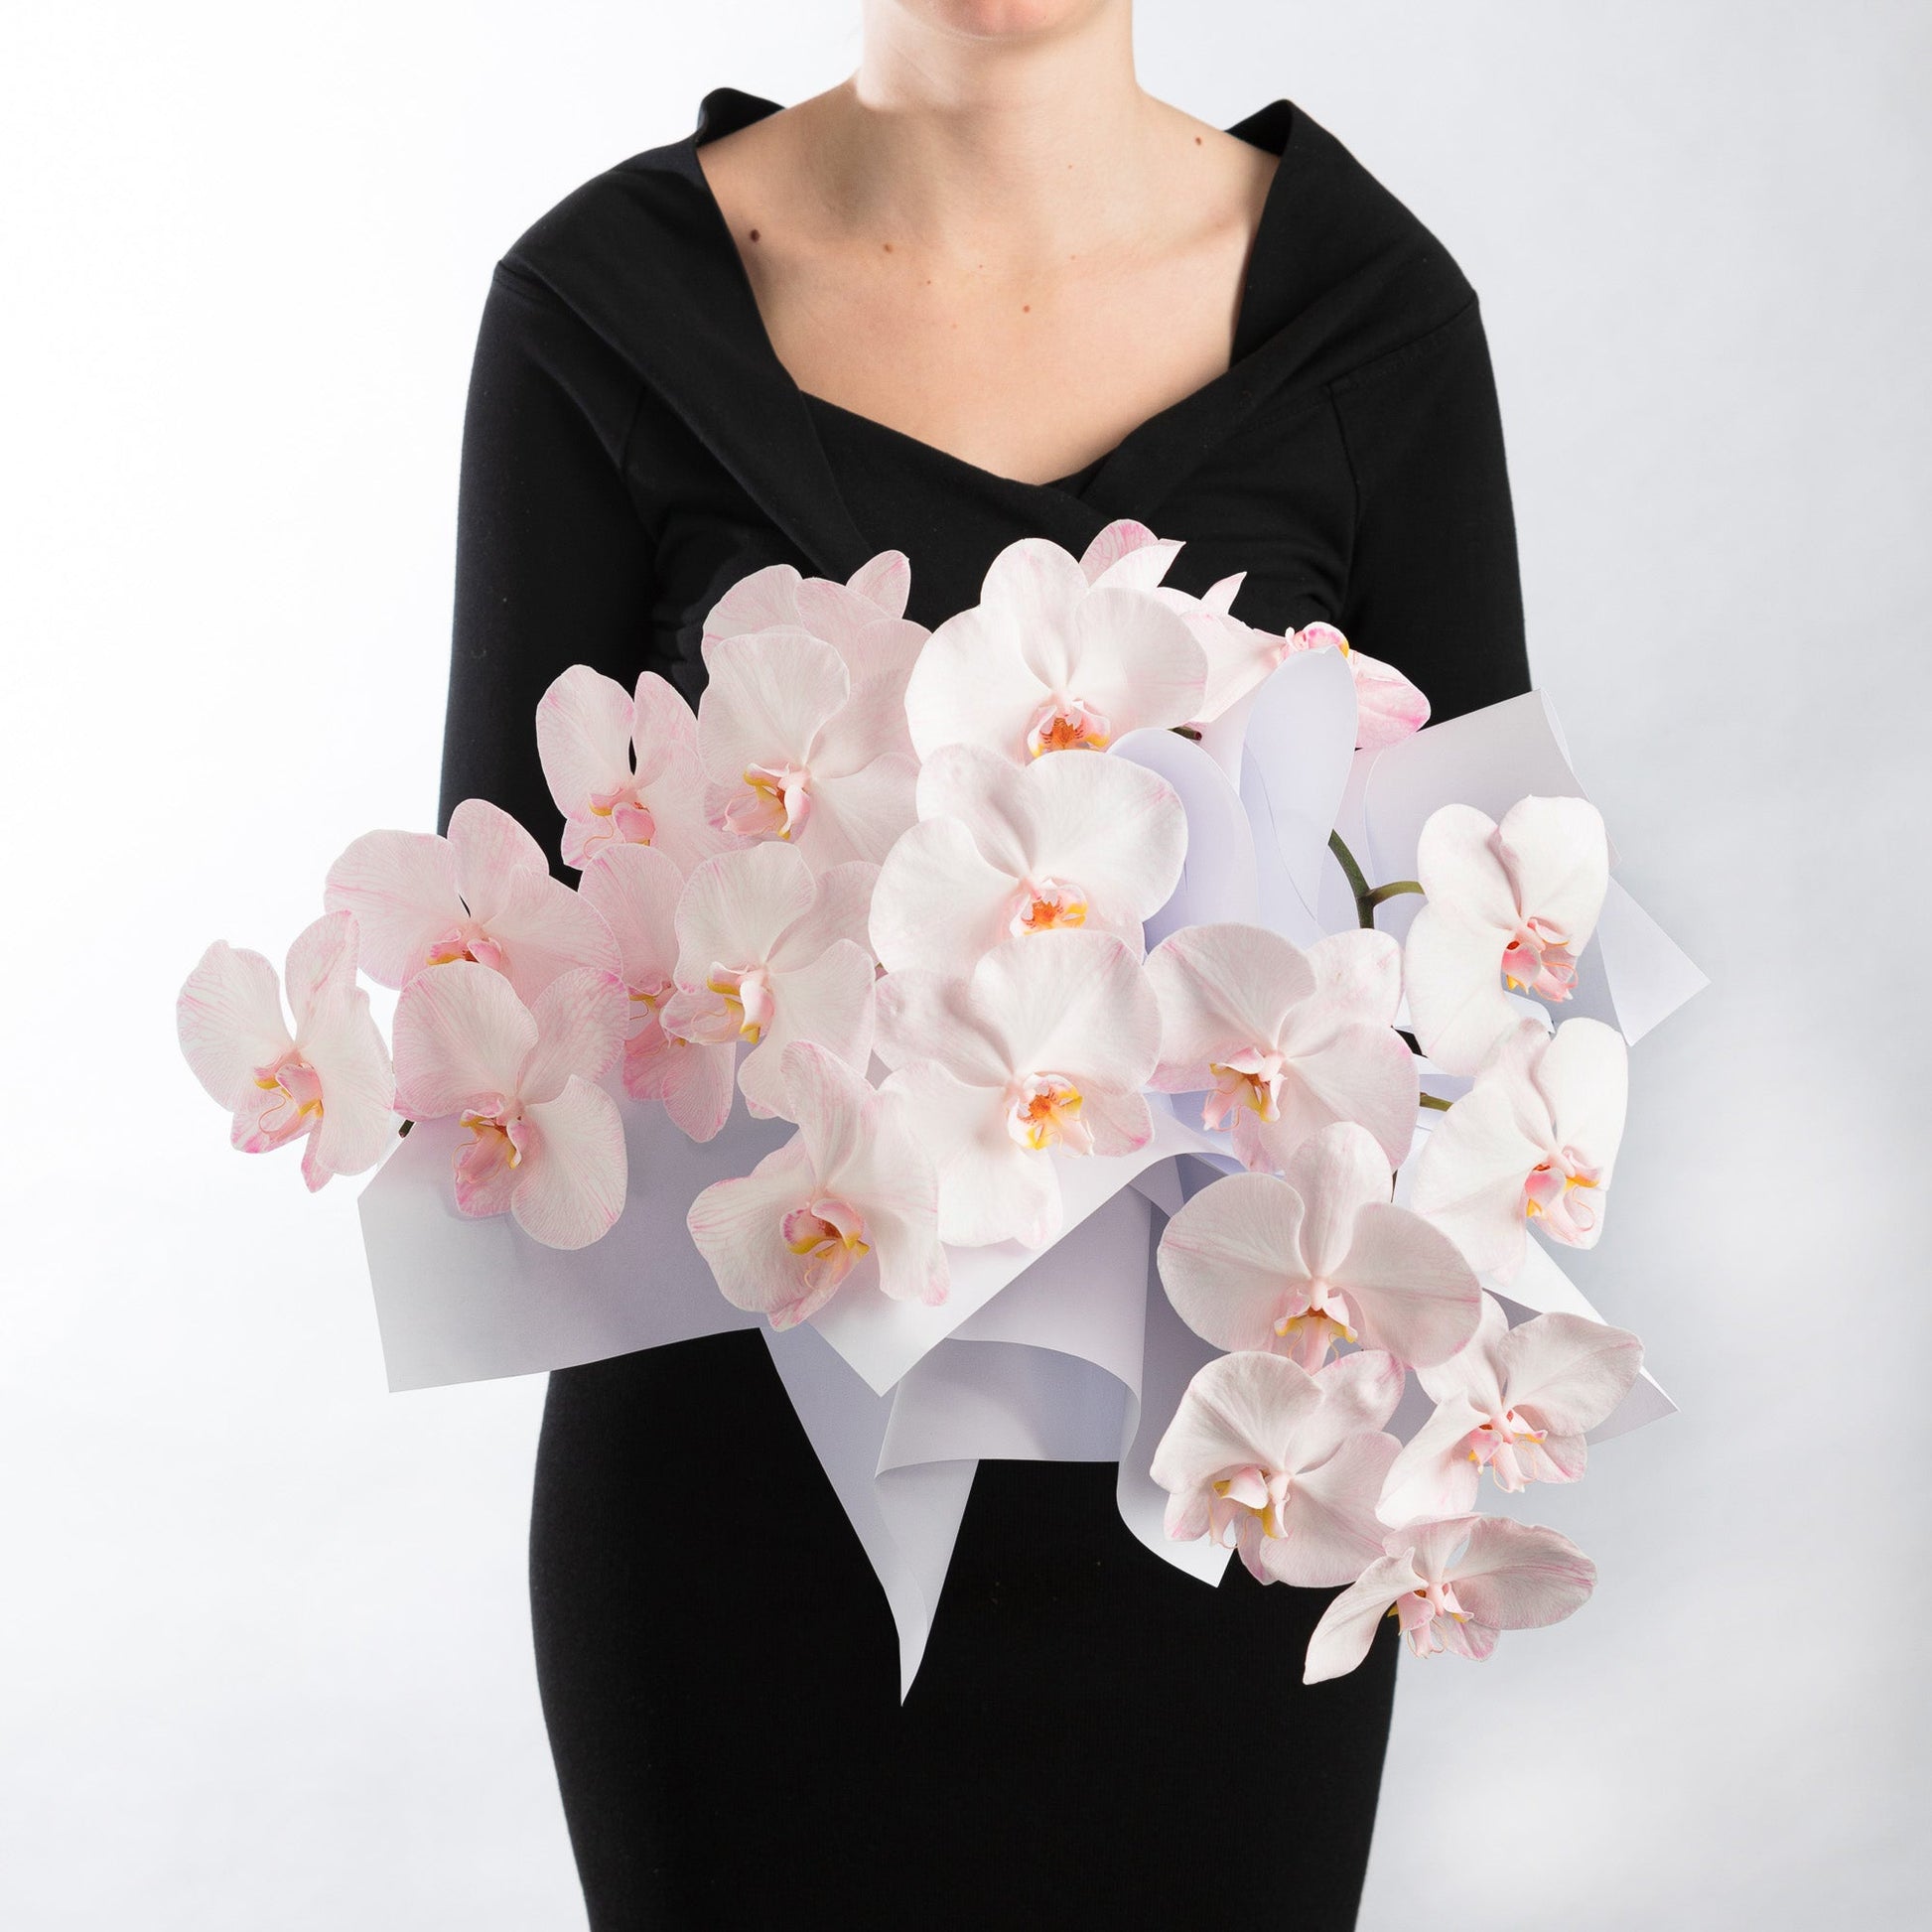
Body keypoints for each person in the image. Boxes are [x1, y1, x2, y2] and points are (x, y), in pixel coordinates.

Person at [438, 4, 1528, 1924]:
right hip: (745, 1493)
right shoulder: (605, 314)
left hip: (1231, 1494)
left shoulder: (1370, 318)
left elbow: (1488, 979)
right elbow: (500, 962)